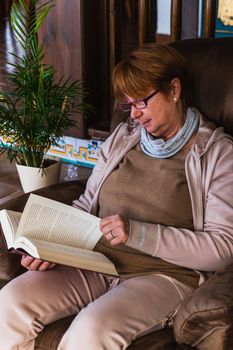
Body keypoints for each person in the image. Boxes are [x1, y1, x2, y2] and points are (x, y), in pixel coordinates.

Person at [1, 43, 233, 350]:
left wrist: (138, 234)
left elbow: (222, 248)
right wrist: (49, 247)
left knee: (91, 331)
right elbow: (85, 204)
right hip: (96, 260)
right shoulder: (123, 140)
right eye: (128, 105)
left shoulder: (218, 154)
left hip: (164, 275)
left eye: (142, 102)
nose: (134, 115)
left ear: (174, 90)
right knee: (11, 302)